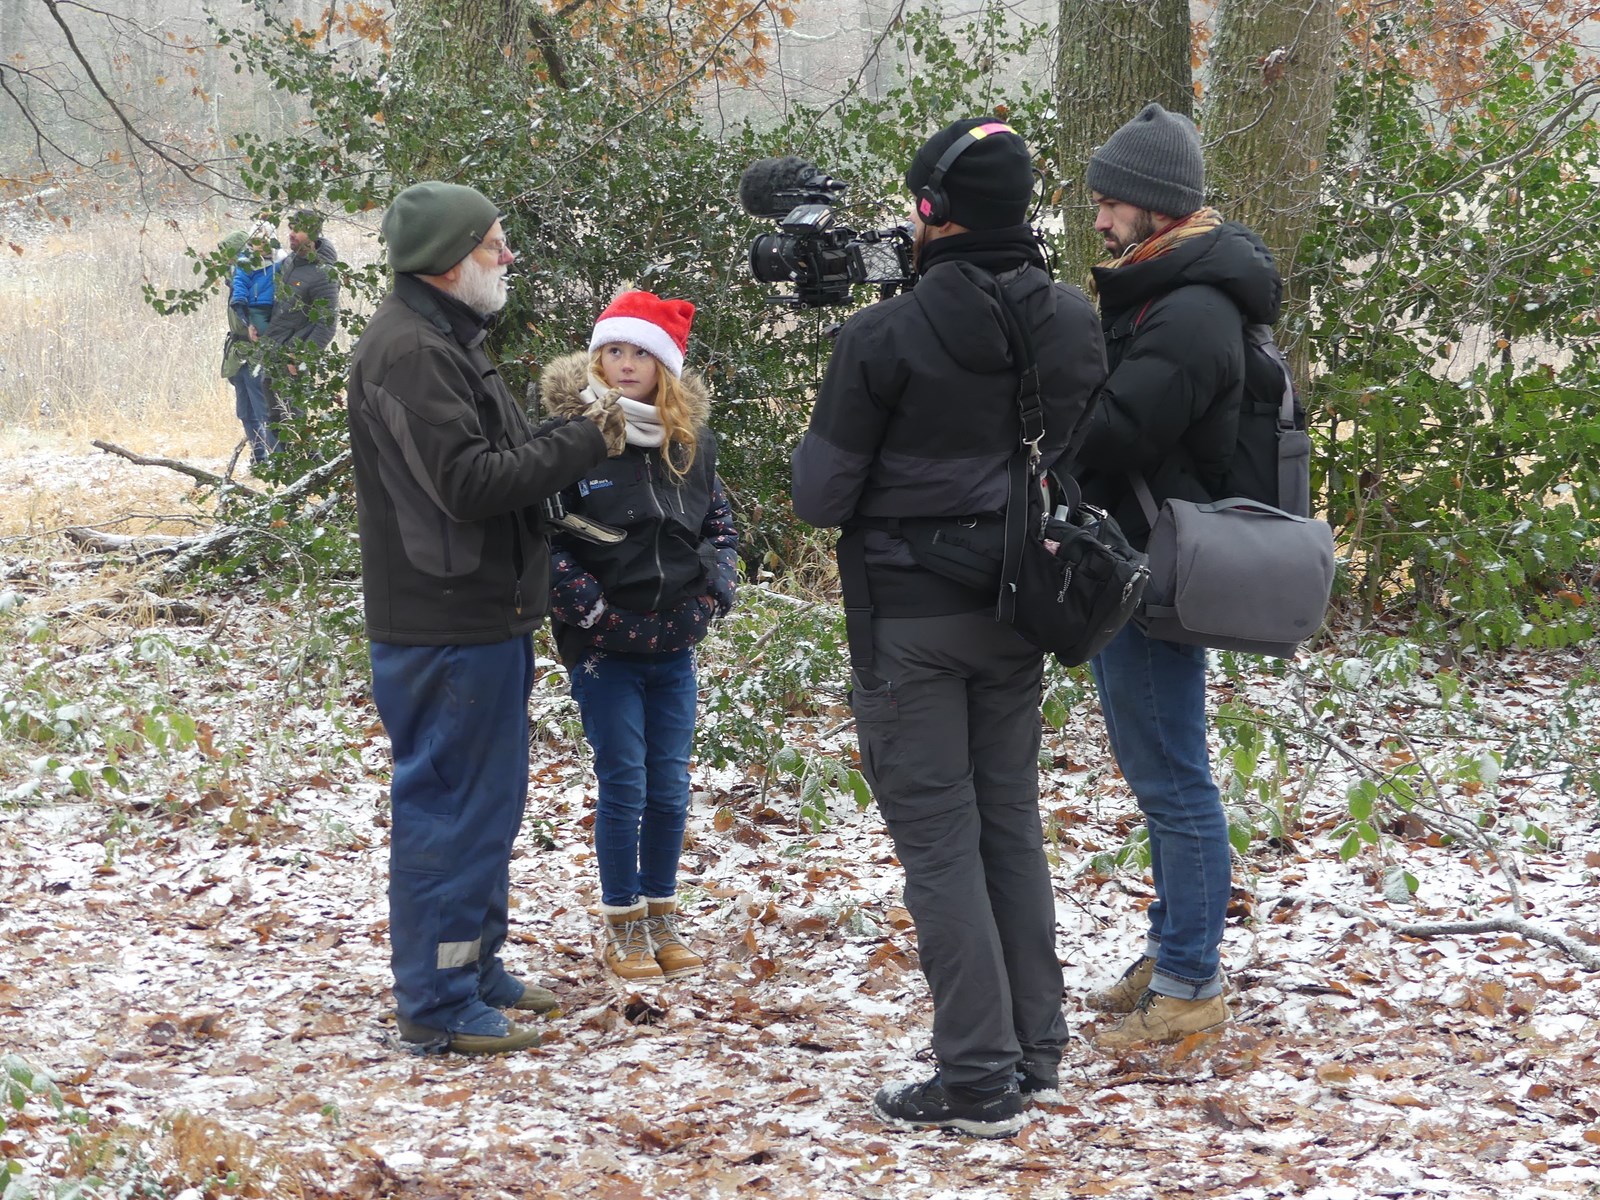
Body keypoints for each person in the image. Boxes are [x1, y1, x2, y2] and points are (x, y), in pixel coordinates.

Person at [791, 119, 1105, 1137]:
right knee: (1007, 823)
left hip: (909, 623)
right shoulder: (1070, 320)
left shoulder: (881, 336)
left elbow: (821, 494)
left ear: (932, 209)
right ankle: (1033, 1047)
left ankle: (974, 1078)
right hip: (1020, 607)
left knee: (939, 845)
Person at [346, 181, 627, 1056]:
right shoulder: (410, 353)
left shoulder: (451, 342)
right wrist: (590, 435)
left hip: (484, 615)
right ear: (449, 260)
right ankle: (435, 997)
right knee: (451, 808)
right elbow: (470, 483)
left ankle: (474, 966)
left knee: (489, 803)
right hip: (442, 625)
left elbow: (502, 462)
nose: (508, 259)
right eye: (495, 245)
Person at [1074, 103, 1284, 1049]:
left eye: (1113, 202)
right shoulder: (1169, 292)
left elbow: (1114, 432)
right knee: (1159, 770)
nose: (1101, 219)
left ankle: (1192, 982)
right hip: (1142, 558)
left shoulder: (1192, 311)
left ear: (1158, 209)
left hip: (1158, 571)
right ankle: (1171, 951)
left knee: (1173, 779)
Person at [537, 291, 738, 983]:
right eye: (614, 351)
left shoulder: (690, 443)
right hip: (603, 648)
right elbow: (543, 541)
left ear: (665, 367)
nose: (625, 365)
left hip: (674, 645)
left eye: (641, 354)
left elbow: (720, 529)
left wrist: (713, 594)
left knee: (670, 786)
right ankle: (622, 921)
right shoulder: (570, 437)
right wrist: (590, 610)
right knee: (624, 780)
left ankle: (662, 912)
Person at [263, 209, 339, 446]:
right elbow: (278, 305)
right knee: (276, 419)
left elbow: (327, 324)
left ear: (314, 234)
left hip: (293, 359)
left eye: (298, 229)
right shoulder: (289, 262)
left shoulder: (324, 272)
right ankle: (291, 478)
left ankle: (312, 475)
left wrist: (301, 358)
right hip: (273, 352)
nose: (291, 234)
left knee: (295, 423)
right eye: (290, 228)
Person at [223, 226, 277, 462]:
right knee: (245, 411)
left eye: (228, 254)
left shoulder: (259, 275)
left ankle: (278, 461)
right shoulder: (236, 278)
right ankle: (259, 457)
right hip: (238, 353)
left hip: (255, 351)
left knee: (264, 409)